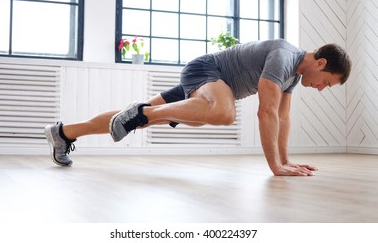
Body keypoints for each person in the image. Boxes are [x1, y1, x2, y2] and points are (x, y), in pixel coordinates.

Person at [44, 39, 351, 176]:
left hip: (214, 84)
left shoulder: (293, 77)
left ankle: (64, 133)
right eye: (326, 81)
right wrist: (275, 167)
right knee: (223, 113)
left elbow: (282, 117)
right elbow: (266, 112)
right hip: (207, 71)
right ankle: (142, 112)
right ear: (320, 63)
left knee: (134, 119)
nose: (322, 88)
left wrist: (287, 161)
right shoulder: (284, 56)